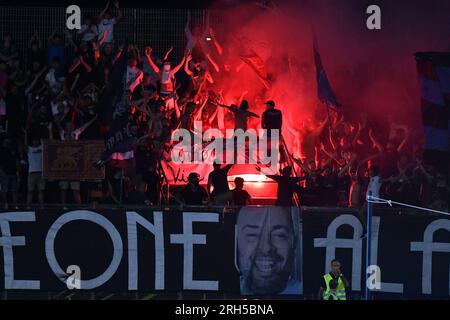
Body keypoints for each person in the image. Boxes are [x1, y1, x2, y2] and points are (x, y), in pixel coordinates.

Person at [236, 206, 301, 295]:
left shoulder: (310, 293)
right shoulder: (225, 291)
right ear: (236, 241)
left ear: (294, 243)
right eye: (253, 234)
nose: (266, 248)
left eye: (278, 235)